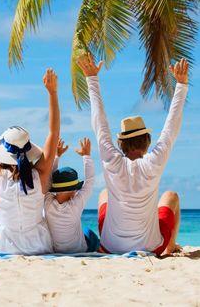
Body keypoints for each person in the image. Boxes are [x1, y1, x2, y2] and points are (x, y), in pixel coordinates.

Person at [76, 52, 189, 256]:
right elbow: (171, 128)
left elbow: (99, 124)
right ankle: (170, 247)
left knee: (104, 194)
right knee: (171, 197)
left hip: (111, 246)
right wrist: (181, 85)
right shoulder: (153, 162)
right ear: (147, 142)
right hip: (151, 247)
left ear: (121, 144)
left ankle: (112, 241)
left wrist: (92, 79)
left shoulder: (112, 160)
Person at [0, 69, 60, 255]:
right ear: (27, 149)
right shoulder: (40, 174)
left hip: (4, 245)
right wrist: (52, 93)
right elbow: (53, 133)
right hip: (38, 245)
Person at [45, 137, 99, 253]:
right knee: (89, 233)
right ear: (74, 190)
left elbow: (48, 179)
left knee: (85, 231)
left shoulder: (47, 202)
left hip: (56, 250)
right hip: (79, 250)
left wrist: (56, 156)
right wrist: (86, 155)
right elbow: (90, 181)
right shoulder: (75, 205)